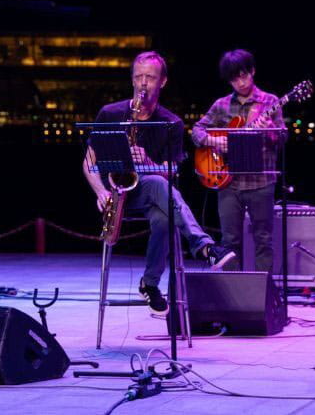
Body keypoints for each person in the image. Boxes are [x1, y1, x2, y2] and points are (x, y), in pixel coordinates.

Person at [83, 51, 233, 312]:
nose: (143, 83)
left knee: (163, 211)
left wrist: (148, 162)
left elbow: (172, 170)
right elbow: (88, 161)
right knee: (162, 195)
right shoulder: (110, 113)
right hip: (117, 193)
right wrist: (100, 192)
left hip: (149, 190)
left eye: (150, 78)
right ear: (132, 79)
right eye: (138, 77)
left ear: (162, 82)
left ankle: (150, 283)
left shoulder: (171, 122)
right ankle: (204, 247)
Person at [191, 49, 285, 272]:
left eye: (243, 76)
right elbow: (197, 131)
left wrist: (270, 129)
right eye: (234, 79)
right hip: (228, 182)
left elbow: (281, 139)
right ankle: (234, 290)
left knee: (264, 240)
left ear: (253, 71)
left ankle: (262, 289)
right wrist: (215, 141)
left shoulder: (270, 101)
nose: (240, 83)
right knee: (229, 241)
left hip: (261, 181)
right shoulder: (221, 105)